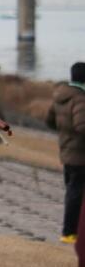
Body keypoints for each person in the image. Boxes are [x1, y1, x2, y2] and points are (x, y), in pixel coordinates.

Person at [46, 61, 85, 244]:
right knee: (75, 195)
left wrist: (64, 133)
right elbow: (81, 125)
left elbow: (50, 121)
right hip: (80, 155)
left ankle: (72, 231)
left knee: (72, 192)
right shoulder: (80, 98)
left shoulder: (60, 95)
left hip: (67, 151)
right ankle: (69, 233)